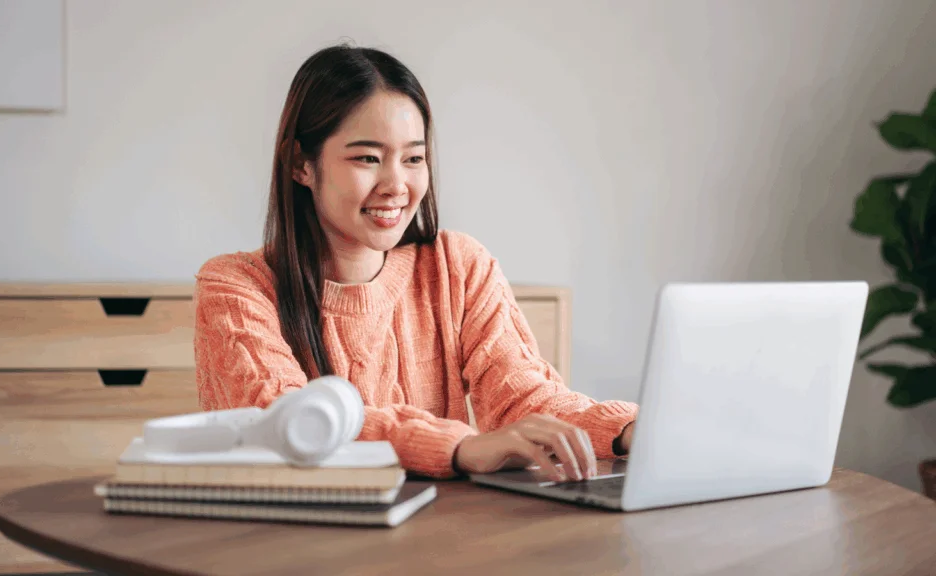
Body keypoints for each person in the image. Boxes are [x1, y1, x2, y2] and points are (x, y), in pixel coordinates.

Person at [193, 43, 639, 482]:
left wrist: (625, 433)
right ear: (300, 163)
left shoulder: (457, 266)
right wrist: (459, 447)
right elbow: (287, 421)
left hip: (428, 539)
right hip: (293, 542)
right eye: (367, 158)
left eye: (413, 158)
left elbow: (523, 395)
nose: (396, 184)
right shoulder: (235, 286)